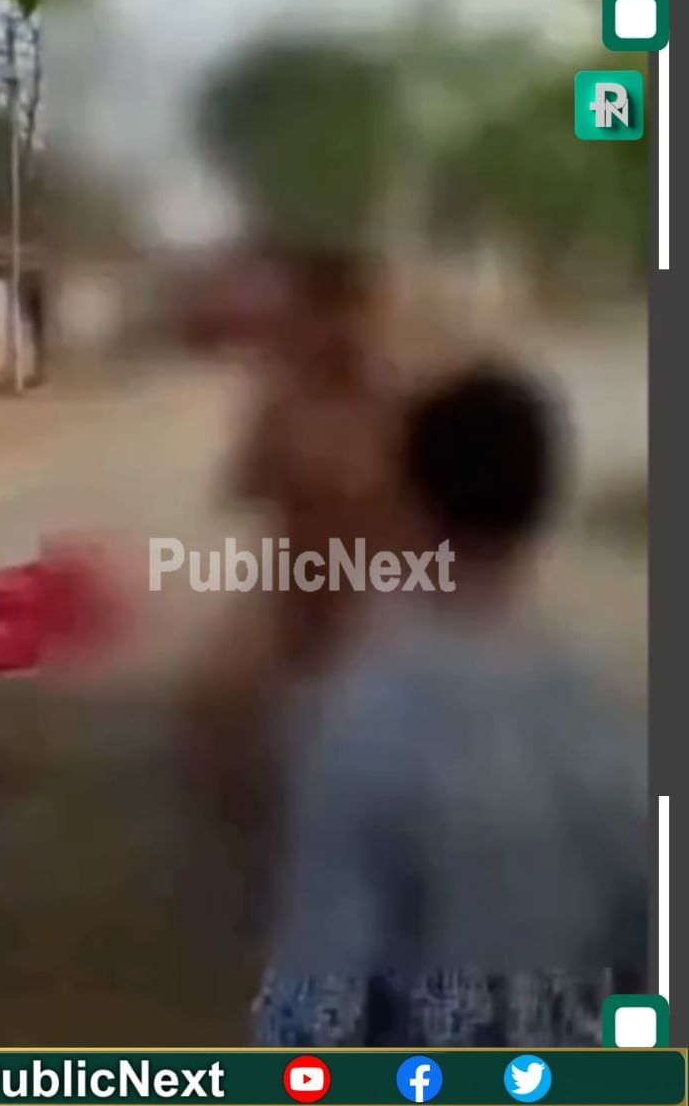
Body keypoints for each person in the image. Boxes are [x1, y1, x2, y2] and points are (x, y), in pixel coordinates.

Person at [253, 365, 648, 1047]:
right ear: (543, 504)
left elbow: (322, 991)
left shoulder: (358, 717)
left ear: (410, 503)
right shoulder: (607, 713)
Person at [184, 252, 400, 928]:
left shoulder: (397, 402)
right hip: (296, 603)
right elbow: (244, 485)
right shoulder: (283, 400)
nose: (324, 332)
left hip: (379, 608)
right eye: (310, 317)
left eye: (338, 315)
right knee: (221, 726)